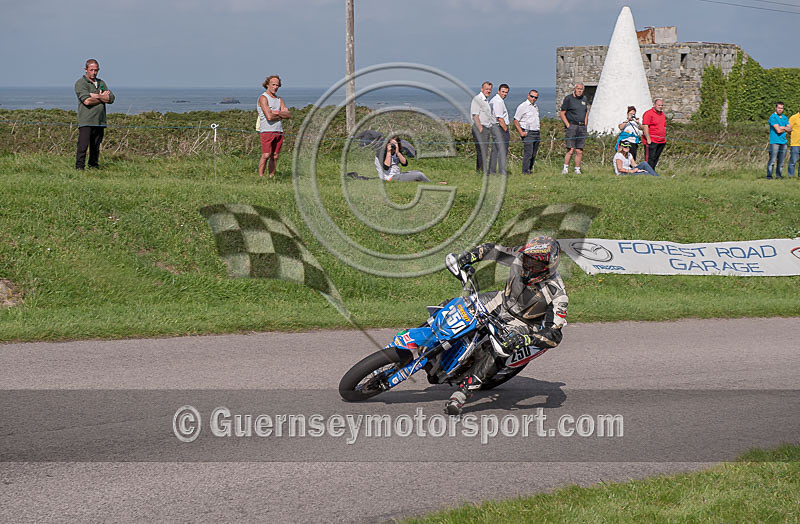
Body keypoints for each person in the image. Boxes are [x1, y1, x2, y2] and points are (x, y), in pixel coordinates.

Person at [444, 236, 568, 415]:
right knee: (456, 304)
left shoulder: (558, 293)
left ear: (550, 265)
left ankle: (462, 393)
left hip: (523, 323)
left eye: (537, 265)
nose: (529, 267)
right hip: (500, 301)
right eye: (528, 260)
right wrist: (467, 258)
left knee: (502, 348)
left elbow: (555, 335)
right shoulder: (519, 258)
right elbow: (490, 249)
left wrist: (526, 338)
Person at [74, 59, 114, 170]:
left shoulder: (101, 83)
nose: (94, 72)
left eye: (96, 70)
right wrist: (103, 98)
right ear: (86, 69)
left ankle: (93, 167)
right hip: (86, 120)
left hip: (100, 121)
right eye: (91, 70)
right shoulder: (80, 83)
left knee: (96, 147)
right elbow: (87, 101)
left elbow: (111, 98)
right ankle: (79, 168)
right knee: (83, 146)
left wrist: (96, 96)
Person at [257, 75, 291, 178]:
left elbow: (288, 115)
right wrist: (281, 114)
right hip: (267, 130)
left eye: (277, 85)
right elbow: (269, 117)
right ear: (267, 85)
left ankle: (271, 176)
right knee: (266, 155)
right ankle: (261, 177)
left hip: (279, 130)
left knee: (275, 156)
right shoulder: (263, 98)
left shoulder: (279, 99)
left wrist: (275, 112)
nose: (275, 87)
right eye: (273, 85)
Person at [560, 83, 590, 174]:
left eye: (581, 89)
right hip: (572, 126)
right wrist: (568, 125)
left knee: (579, 150)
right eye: (578, 89)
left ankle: (577, 169)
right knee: (570, 149)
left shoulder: (584, 99)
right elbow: (562, 113)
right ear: (575, 89)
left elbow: (585, 113)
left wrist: (585, 124)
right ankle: (565, 168)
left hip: (581, 127)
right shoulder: (568, 99)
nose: (579, 90)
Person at [513, 90, 541, 174]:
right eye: (532, 96)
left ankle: (529, 170)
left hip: (536, 132)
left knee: (533, 154)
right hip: (528, 132)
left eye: (535, 97)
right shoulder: (523, 106)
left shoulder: (535, 107)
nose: (533, 99)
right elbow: (515, 120)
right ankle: (525, 172)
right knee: (528, 153)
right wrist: (521, 132)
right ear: (528, 95)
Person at [471, 82, 494, 174]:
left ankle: (481, 171)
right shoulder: (477, 99)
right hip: (480, 128)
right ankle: (482, 171)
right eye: (486, 89)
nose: (488, 91)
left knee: (483, 151)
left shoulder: (486, 100)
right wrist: (480, 129)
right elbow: (475, 116)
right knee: (482, 151)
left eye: (489, 89)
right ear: (482, 89)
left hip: (486, 128)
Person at [489, 83, 510, 174]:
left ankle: (492, 171)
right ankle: (501, 171)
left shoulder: (494, 100)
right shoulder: (498, 101)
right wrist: (506, 129)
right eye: (503, 92)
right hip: (499, 128)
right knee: (502, 150)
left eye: (506, 92)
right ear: (498, 91)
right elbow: (500, 118)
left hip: (495, 127)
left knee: (495, 150)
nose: (504, 94)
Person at [767, 102, 791, 180]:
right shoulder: (772, 117)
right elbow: (778, 130)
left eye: (782, 108)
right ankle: (769, 176)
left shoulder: (785, 117)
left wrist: (782, 127)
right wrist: (785, 128)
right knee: (772, 160)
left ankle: (779, 176)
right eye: (779, 108)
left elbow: (790, 129)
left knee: (781, 161)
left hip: (783, 142)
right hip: (774, 142)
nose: (780, 110)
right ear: (776, 108)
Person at [642, 98, 667, 170]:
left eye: (662, 105)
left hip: (661, 140)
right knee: (650, 158)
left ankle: (652, 172)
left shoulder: (662, 114)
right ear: (654, 105)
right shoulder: (648, 113)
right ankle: (647, 172)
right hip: (652, 140)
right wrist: (648, 138)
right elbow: (645, 126)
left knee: (656, 158)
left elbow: (664, 126)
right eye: (659, 105)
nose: (660, 107)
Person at [788, 104, 800, 178]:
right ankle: (790, 176)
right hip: (795, 143)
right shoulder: (793, 118)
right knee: (793, 161)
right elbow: (788, 129)